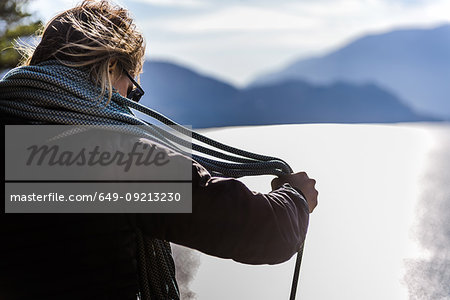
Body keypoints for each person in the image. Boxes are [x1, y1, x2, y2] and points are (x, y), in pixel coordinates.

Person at [0, 1, 318, 299]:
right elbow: (261, 231)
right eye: (132, 90)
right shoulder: (113, 157)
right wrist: (296, 198)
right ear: (110, 68)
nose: (130, 104)